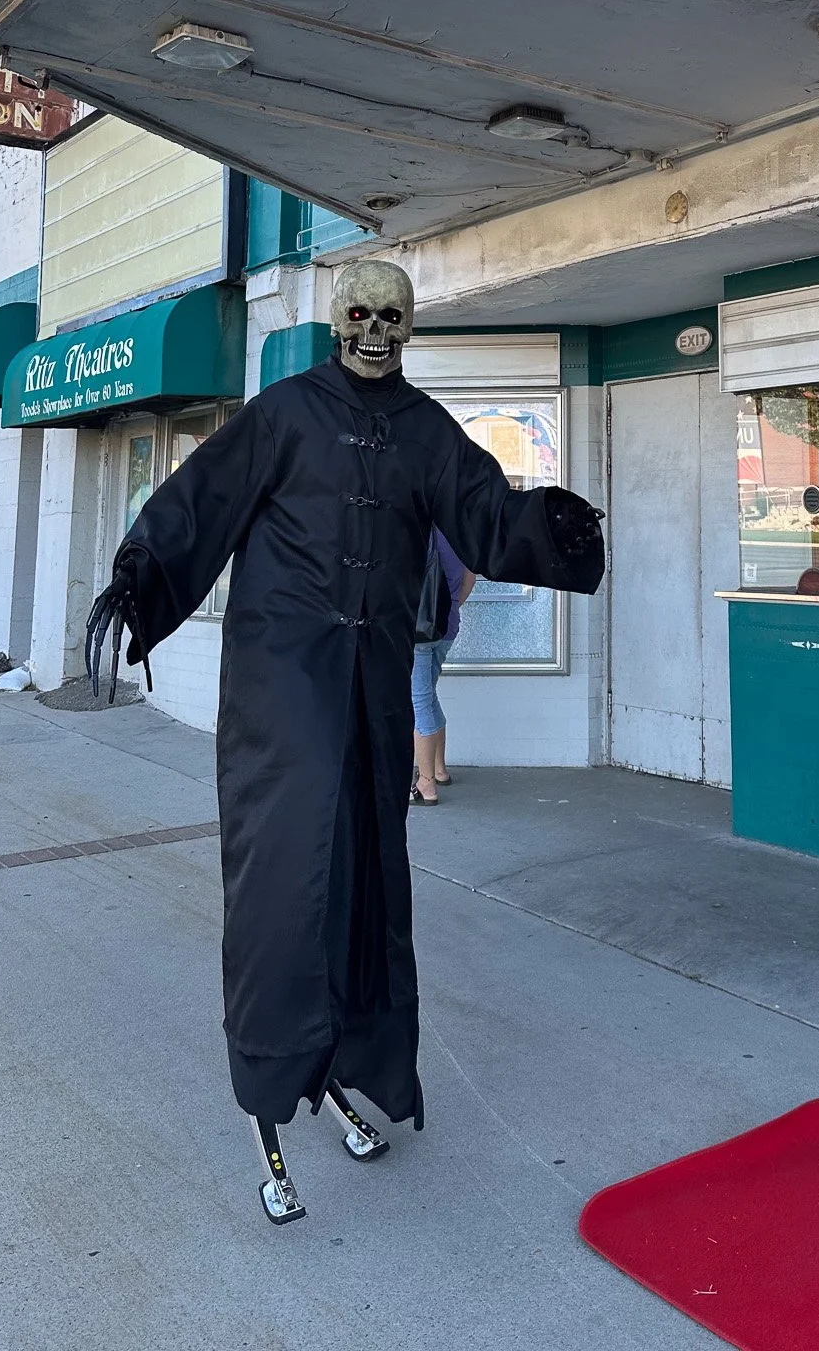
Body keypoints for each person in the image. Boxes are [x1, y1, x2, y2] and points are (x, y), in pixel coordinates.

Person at [84, 260, 604, 1225]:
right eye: (360, 315)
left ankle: (344, 1061)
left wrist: (555, 526)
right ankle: (272, 1081)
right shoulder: (283, 413)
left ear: (409, 329)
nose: (376, 332)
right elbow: (203, 496)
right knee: (285, 883)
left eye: (392, 318)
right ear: (337, 324)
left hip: (371, 698)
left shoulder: (427, 433)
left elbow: (487, 519)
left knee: (365, 879)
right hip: (283, 688)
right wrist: (140, 575)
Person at [411, 528, 473, 806]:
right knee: (429, 695)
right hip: (446, 628)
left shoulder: (419, 531)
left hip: (419, 631)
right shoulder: (459, 531)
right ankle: (439, 769)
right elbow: (469, 578)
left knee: (419, 702)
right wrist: (452, 608)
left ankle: (426, 784)